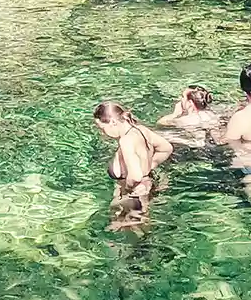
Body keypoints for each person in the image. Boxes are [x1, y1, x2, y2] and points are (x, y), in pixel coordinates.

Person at [95, 101, 174, 231]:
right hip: (144, 191)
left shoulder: (126, 140)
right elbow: (166, 148)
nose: (102, 133)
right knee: (142, 235)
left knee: (120, 237)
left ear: (113, 122)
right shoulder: (141, 130)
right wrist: (149, 166)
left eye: (102, 128)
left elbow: (136, 176)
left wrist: (126, 190)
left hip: (132, 198)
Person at [158, 85, 224, 133]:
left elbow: (160, 123)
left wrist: (175, 114)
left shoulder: (184, 120)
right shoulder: (212, 115)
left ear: (190, 102)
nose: (180, 99)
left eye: (182, 97)